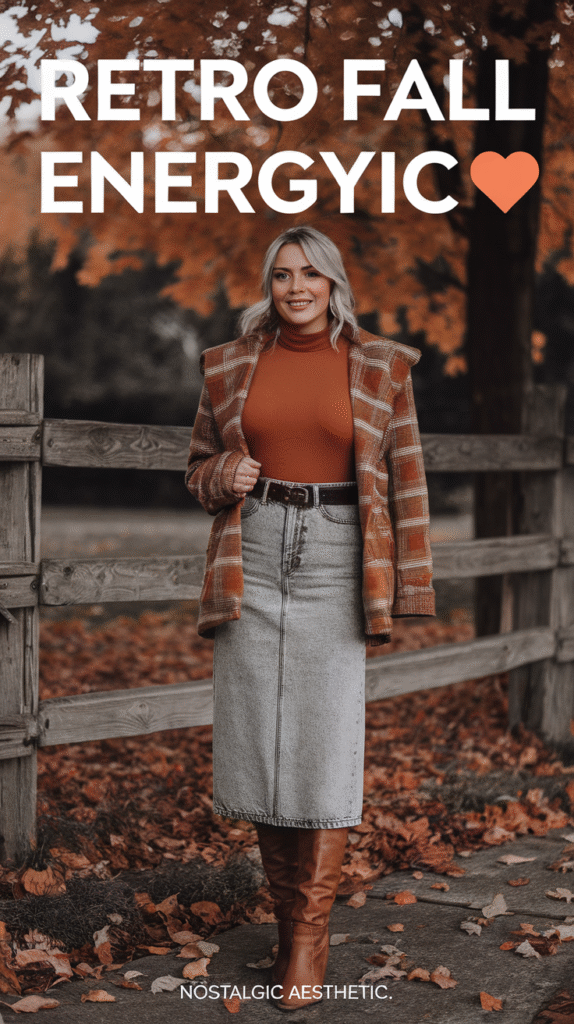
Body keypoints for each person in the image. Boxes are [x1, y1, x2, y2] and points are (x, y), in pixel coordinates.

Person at [185, 225, 435, 1010]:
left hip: (337, 553)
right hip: (252, 550)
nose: (296, 287)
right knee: (260, 742)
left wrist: (411, 588)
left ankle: (309, 938)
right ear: (270, 284)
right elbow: (195, 467)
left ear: (333, 285)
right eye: (282, 274)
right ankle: (286, 916)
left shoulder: (380, 365)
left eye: (310, 275)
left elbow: (405, 476)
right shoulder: (228, 366)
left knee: (323, 744)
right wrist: (224, 471)